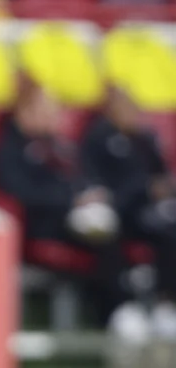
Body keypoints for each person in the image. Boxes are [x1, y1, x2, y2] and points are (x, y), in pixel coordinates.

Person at [0, 83, 139, 339]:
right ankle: (115, 315)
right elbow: (17, 191)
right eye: (46, 110)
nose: (53, 116)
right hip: (44, 224)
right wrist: (70, 201)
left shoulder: (58, 146)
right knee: (104, 241)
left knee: (114, 230)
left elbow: (79, 176)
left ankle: (125, 311)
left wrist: (90, 193)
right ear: (25, 111)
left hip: (76, 217)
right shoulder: (11, 147)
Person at [81, 88, 176, 341]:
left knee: (169, 230)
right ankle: (120, 309)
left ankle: (165, 304)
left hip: (145, 211)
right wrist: (142, 188)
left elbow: (162, 174)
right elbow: (95, 183)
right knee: (106, 235)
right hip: (115, 209)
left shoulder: (145, 140)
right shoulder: (98, 139)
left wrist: (163, 188)